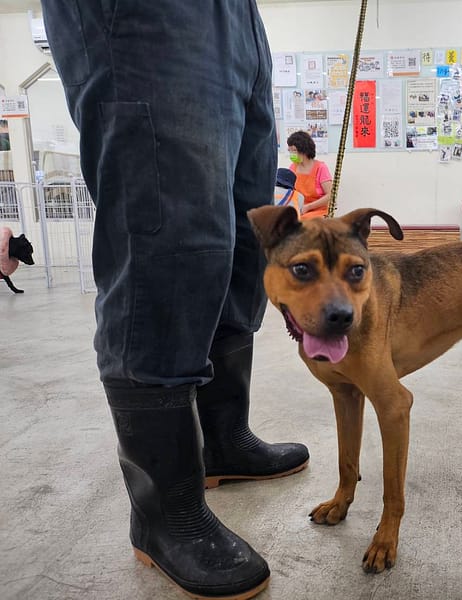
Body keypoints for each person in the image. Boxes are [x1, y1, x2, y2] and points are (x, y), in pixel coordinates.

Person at [41, 3, 309, 599]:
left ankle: (221, 440)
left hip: (238, 20)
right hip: (143, 16)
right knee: (170, 233)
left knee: (240, 236)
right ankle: (166, 513)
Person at [286, 130, 333, 219]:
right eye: (290, 150)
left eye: (294, 150)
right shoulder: (293, 167)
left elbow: (330, 195)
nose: (292, 154)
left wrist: (308, 207)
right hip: (298, 210)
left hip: (318, 211)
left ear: (304, 150)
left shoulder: (321, 168)